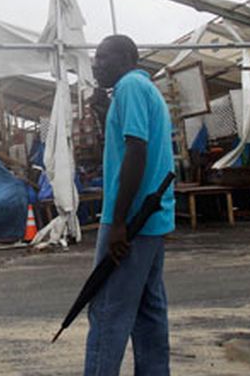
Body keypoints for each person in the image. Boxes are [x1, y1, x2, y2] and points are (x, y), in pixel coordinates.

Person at [85, 34, 175, 375]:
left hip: (132, 220)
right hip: (152, 219)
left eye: (103, 57)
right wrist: (104, 113)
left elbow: (136, 150)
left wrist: (119, 222)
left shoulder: (130, 88)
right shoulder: (144, 90)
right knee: (148, 310)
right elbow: (130, 147)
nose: (96, 64)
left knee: (108, 310)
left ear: (126, 58)